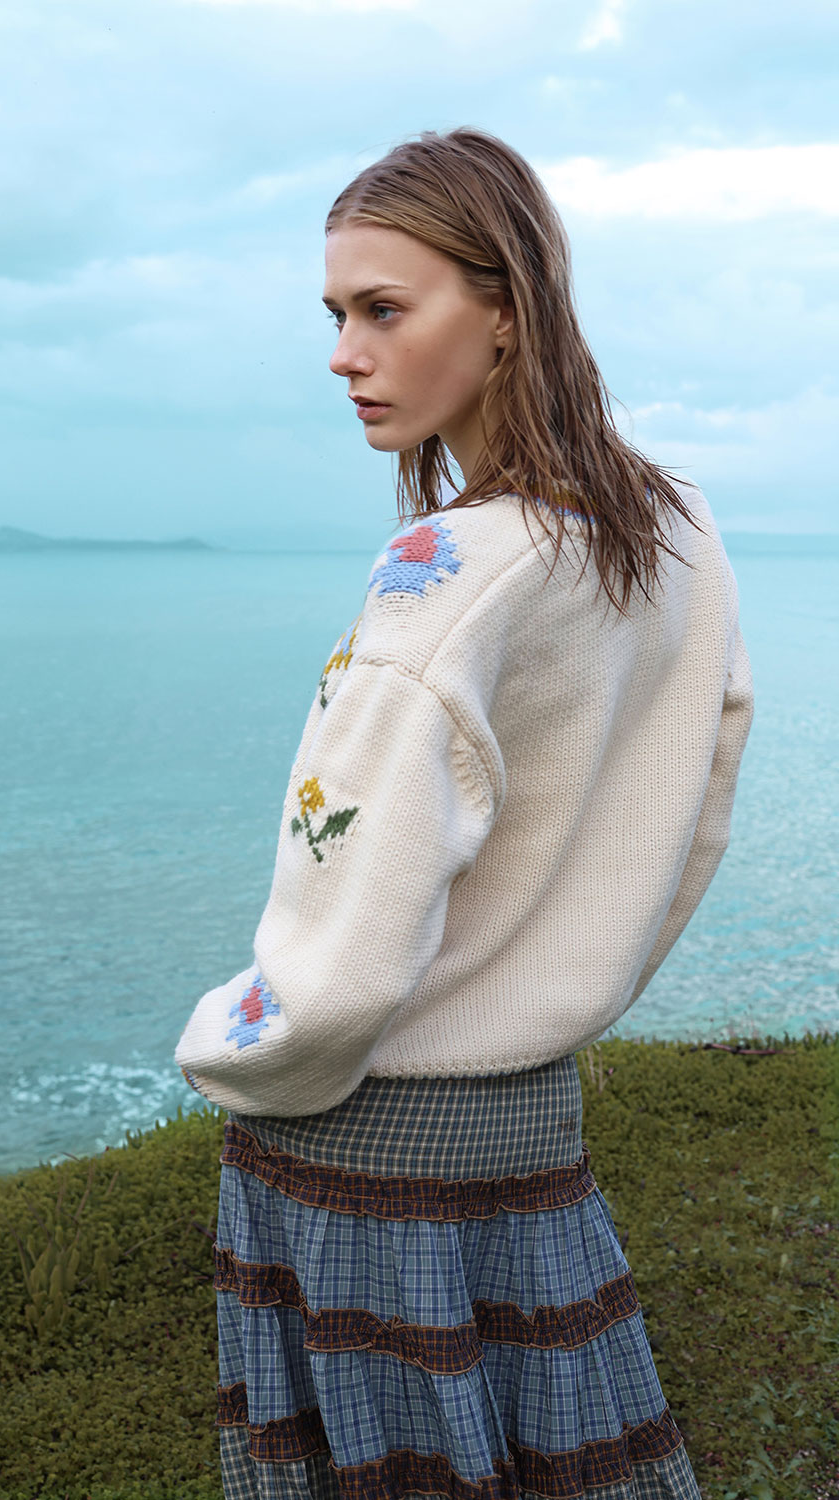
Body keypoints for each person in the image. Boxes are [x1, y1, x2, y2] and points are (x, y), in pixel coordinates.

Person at [174, 126, 754, 1500]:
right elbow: (698, 795)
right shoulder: (674, 529)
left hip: (360, 1145)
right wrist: (569, 982)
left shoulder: (444, 571)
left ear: (505, 310)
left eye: (384, 308)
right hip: (532, 1128)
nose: (344, 354)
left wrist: (229, 1049)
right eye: (336, 314)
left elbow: (344, 929)